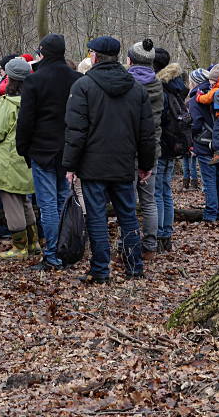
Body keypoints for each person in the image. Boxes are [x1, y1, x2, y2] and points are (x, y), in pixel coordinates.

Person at [63, 36, 155, 283]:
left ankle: (101, 270)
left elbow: (76, 131)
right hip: (124, 165)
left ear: (94, 56)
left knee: (97, 218)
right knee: (128, 217)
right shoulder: (136, 89)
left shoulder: (83, 87)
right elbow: (147, 132)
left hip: (93, 167)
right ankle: (134, 268)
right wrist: (146, 164)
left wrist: (70, 165)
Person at [16, 33, 82, 271]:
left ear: (43, 52)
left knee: (49, 205)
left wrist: (23, 148)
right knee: (63, 202)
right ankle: (63, 250)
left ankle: (53, 254)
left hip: (42, 151)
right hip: (67, 151)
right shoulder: (76, 78)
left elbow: (26, 119)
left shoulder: (35, 80)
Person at [0, 58, 38, 259]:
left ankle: (19, 247)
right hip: (26, 159)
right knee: (24, 200)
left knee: (11, 202)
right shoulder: (34, 101)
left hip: (7, 160)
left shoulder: (6, 103)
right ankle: (34, 243)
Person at [126, 39, 163, 258]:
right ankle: (150, 245)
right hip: (153, 148)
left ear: (130, 60)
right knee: (149, 200)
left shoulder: (126, 84)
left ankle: (128, 241)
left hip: (129, 150)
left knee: (128, 199)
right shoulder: (158, 84)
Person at [155, 57, 188, 252]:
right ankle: (166, 233)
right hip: (173, 145)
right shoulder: (176, 86)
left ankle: (160, 234)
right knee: (166, 191)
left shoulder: (161, 88)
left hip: (162, 145)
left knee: (158, 191)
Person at [187, 68, 219, 222]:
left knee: (210, 181)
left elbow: (196, 124)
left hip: (205, 146)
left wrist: (190, 136)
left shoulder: (195, 100)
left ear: (195, 82)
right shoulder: (218, 94)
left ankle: (210, 215)